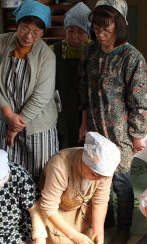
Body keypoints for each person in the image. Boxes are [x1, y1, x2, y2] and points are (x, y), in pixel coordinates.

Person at [78, 0, 147, 244]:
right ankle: (105, 220)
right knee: (98, 176)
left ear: (119, 26)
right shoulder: (90, 52)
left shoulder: (132, 58)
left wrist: (138, 134)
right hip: (95, 128)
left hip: (120, 133)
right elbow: (83, 92)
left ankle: (123, 227)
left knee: (120, 181)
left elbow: (142, 101)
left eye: (106, 29)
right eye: (97, 28)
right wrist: (83, 122)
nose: (100, 34)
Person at [0, 0, 58, 179]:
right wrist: (8, 114)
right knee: (10, 173)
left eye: (36, 32)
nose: (29, 36)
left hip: (38, 125)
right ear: (17, 23)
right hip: (8, 118)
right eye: (25, 28)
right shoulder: (1, 43)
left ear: (43, 32)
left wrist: (15, 126)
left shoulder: (47, 56)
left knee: (42, 175)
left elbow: (42, 97)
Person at [28, 132, 120, 244]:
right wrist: (74, 236)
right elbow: (49, 207)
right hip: (55, 209)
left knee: (88, 241)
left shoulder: (104, 170)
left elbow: (100, 201)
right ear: (84, 161)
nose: (99, 179)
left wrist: (98, 230)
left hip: (79, 206)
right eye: (94, 174)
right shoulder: (59, 165)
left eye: (103, 177)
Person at [50, 2, 91, 149]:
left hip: (88, 109)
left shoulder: (95, 51)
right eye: (70, 30)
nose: (74, 37)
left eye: (81, 32)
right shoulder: (54, 50)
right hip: (62, 109)